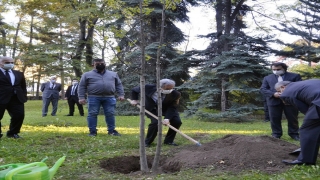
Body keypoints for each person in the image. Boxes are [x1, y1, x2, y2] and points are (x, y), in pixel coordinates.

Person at [275, 80, 320, 165]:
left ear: (283, 87)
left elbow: (305, 109)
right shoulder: (306, 83)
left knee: (307, 130)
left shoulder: (286, 92)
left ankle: (305, 160)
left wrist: (311, 120)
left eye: (278, 91)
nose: (279, 93)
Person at [78, 58, 124, 136]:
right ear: (93, 65)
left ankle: (112, 131)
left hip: (109, 97)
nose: (100, 64)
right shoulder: (86, 75)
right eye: (97, 63)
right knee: (92, 113)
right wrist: (81, 97)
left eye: (102, 63)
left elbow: (118, 84)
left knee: (110, 113)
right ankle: (92, 131)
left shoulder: (113, 74)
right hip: (93, 97)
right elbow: (82, 86)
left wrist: (121, 94)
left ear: (105, 64)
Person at [130, 79, 182, 147]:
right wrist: (134, 100)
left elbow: (172, 107)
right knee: (156, 122)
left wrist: (167, 118)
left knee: (177, 122)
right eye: (167, 88)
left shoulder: (176, 94)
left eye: (171, 88)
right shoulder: (148, 87)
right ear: (160, 86)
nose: (170, 90)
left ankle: (169, 141)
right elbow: (134, 90)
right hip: (152, 108)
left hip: (167, 108)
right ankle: (147, 142)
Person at [260, 62, 301, 140]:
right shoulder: (267, 78)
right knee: (274, 118)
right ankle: (276, 134)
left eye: (278, 69)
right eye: (274, 69)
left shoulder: (295, 76)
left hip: (290, 100)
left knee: (293, 118)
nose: (276, 71)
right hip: (273, 101)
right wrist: (273, 94)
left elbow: (299, 87)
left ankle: (294, 134)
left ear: (284, 68)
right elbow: (263, 89)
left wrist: (287, 93)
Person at [0, 56, 27, 139]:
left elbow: (23, 86)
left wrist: (23, 96)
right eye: (7, 62)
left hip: (16, 98)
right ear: (1, 63)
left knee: (19, 115)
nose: (10, 64)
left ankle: (13, 133)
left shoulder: (18, 74)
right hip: (1, 98)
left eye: (12, 62)